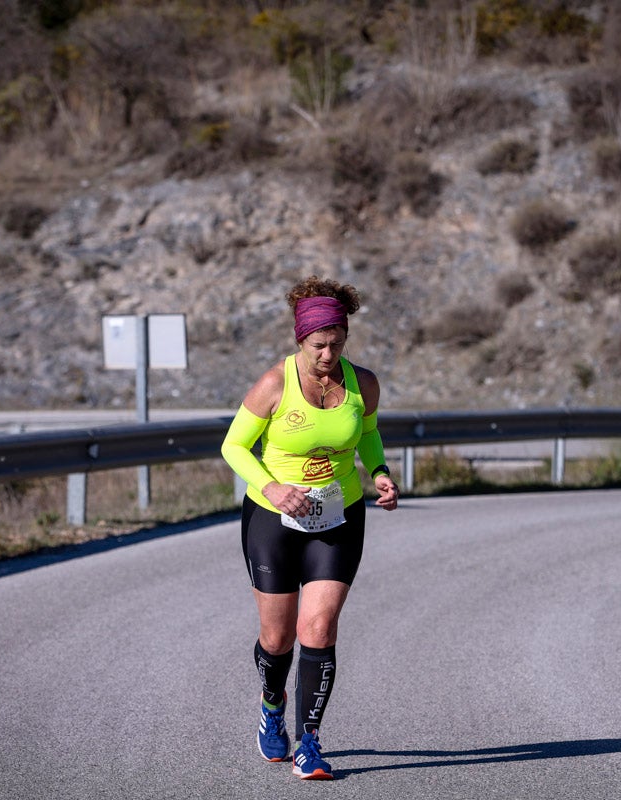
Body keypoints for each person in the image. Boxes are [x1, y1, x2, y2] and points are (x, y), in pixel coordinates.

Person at [220, 275, 399, 780]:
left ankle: (311, 742)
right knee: (277, 640)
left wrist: (380, 473)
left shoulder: (361, 382)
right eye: (319, 345)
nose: (327, 354)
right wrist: (273, 487)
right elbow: (234, 446)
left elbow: (367, 434)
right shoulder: (275, 384)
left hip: (337, 514)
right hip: (272, 518)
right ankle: (271, 706)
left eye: (337, 344)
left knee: (318, 628)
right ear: (300, 340)